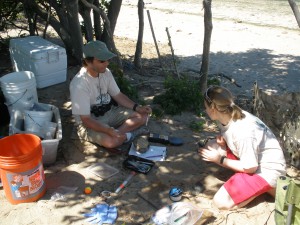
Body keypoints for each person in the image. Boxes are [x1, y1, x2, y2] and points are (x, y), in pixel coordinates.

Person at [198, 86, 286, 209]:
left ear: (213, 108)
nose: (205, 110)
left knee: (221, 202)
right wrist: (224, 145)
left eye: (206, 107)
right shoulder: (227, 113)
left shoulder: (242, 131)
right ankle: (256, 188)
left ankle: (268, 189)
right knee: (211, 146)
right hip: (255, 159)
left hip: (266, 171)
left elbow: (250, 167)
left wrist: (220, 159)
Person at [70, 40, 152, 149]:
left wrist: (137, 107)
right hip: (91, 120)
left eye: (108, 60)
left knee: (143, 116)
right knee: (111, 142)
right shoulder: (79, 84)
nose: (107, 63)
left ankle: (119, 135)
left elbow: (118, 95)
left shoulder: (106, 72)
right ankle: (127, 135)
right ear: (88, 62)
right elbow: (86, 120)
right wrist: (107, 130)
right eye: (102, 61)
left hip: (110, 111)